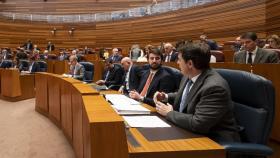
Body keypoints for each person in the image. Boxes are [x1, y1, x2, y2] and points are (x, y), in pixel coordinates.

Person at [154, 43, 240, 142]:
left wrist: (169, 113)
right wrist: (165, 96)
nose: (177, 62)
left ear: (190, 64)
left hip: (214, 140)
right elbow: (187, 95)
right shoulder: (189, 75)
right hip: (189, 131)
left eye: (179, 59)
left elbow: (199, 123)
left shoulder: (215, 87)